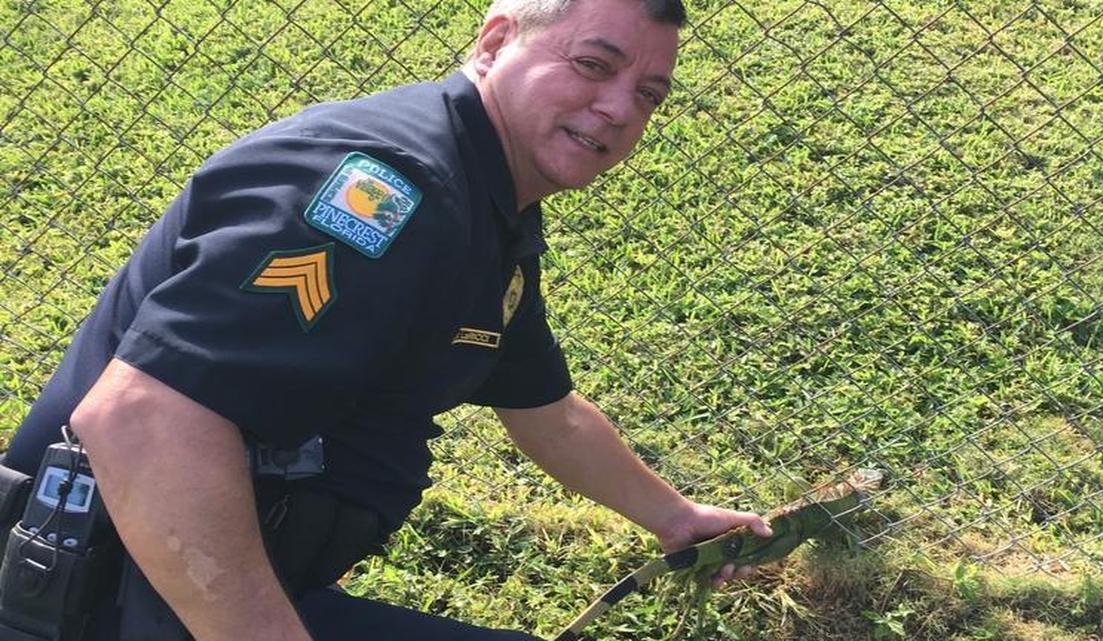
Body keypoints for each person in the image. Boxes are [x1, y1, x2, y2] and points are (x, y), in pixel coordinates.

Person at [3, 0, 771, 639]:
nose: (618, 108)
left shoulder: (486, 203)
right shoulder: (387, 191)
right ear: (498, 39)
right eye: (594, 65)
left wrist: (675, 517)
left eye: (649, 94)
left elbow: (549, 413)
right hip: (107, 595)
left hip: (205, 583)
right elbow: (144, 419)